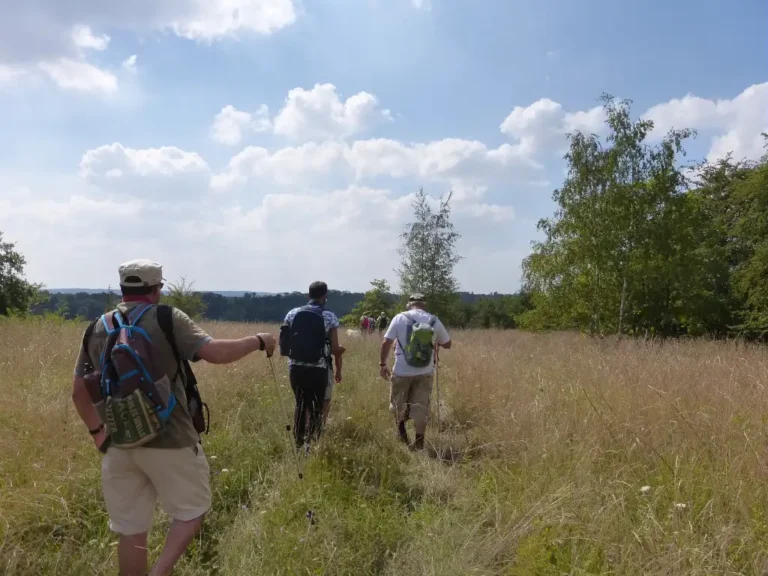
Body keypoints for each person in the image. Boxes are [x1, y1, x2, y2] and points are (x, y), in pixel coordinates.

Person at [71, 259, 276, 576]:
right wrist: (259, 340)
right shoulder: (167, 317)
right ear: (156, 289)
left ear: (123, 287)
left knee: (131, 530)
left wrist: (98, 433)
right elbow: (216, 353)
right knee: (193, 511)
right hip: (172, 438)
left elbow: (78, 391)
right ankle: (160, 571)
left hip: (119, 442)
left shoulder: (97, 327)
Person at [379, 293, 451, 450]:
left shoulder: (399, 318)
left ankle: (402, 433)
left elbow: (386, 342)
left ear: (409, 304)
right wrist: (435, 340)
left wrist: (383, 364)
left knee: (398, 404)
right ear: (424, 304)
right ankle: (419, 444)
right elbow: (448, 344)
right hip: (425, 371)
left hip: (402, 371)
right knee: (421, 407)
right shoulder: (434, 320)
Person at [281, 281, 342, 448]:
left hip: (296, 366)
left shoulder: (292, 313)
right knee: (316, 406)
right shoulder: (329, 316)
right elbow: (335, 348)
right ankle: (313, 443)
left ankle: (299, 443)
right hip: (318, 368)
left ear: (308, 295)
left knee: (300, 404)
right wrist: (340, 351)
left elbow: (286, 340)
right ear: (325, 297)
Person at [323, 343, 346, 425]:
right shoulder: (328, 329)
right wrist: (338, 371)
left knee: (303, 401)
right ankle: (321, 426)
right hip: (323, 368)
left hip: (297, 367)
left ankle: (302, 431)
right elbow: (337, 350)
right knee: (325, 400)